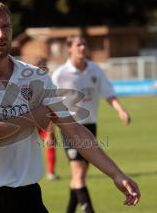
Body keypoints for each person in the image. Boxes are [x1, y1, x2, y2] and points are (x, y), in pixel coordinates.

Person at [0, 1, 140, 213]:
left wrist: (116, 174)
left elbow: (74, 129)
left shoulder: (35, 76)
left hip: (28, 195)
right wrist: (33, 117)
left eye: (6, 27)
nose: (0, 34)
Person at [51, 35, 131, 213]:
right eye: (78, 44)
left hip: (90, 126)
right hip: (70, 128)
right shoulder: (60, 74)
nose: (82, 47)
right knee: (79, 175)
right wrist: (49, 130)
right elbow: (49, 102)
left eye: (84, 44)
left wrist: (120, 110)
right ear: (70, 48)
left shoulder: (95, 69)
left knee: (78, 177)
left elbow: (108, 92)